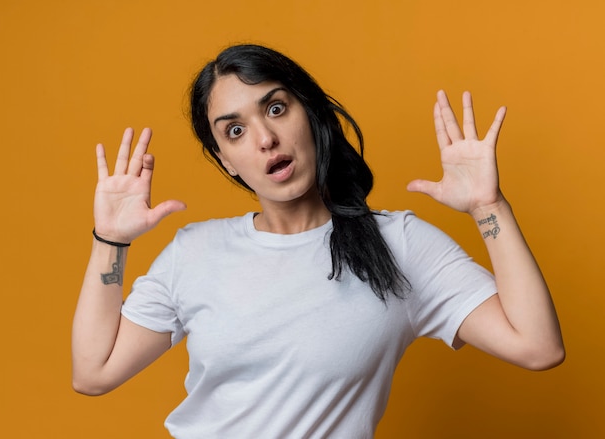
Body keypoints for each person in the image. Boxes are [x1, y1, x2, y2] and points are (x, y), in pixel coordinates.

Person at [72, 44, 564, 438]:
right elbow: (93, 372)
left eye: (277, 108)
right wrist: (110, 241)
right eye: (236, 130)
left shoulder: (398, 246)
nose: (264, 138)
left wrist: (488, 208)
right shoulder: (194, 252)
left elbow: (538, 346)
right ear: (225, 160)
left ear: (310, 113)